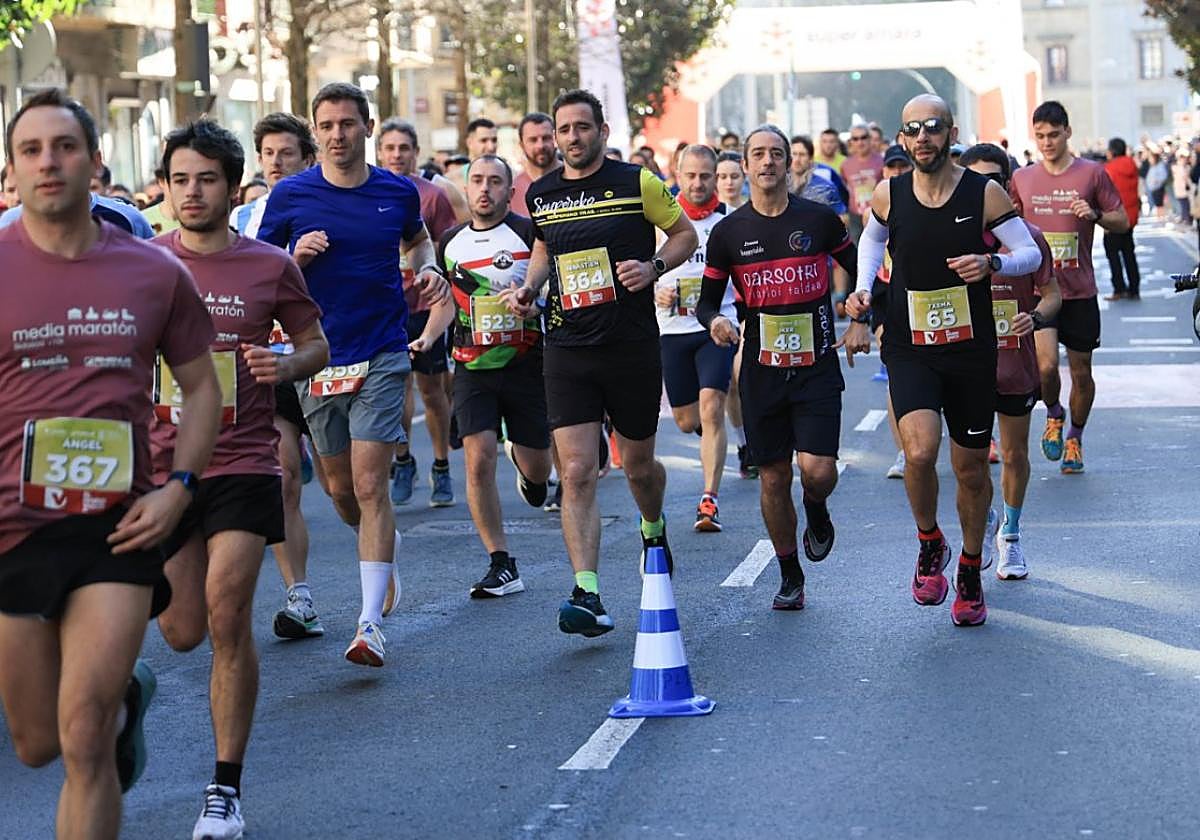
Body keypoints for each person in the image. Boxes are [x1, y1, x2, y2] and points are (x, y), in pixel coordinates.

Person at [0, 88, 222, 837]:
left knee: (83, 739)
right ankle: (131, 698)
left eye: (62, 147)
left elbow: (201, 391)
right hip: (12, 525)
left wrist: (178, 491)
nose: (47, 163)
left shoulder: (154, 273)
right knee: (36, 744)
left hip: (116, 527)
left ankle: (108, 708)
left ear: (96, 161)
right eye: (30, 151)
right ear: (12, 170)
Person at [152, 119, 328, 839]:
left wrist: (286, 365)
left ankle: (224, 788)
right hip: (164, 469)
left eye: (206, 179)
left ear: (232, 187)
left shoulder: (267, 265)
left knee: (227, 616)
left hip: (244, 459)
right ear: (164, 187)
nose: (192, 192)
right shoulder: (142, 262)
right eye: (180, 179)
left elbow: (316, 343)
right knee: (182, 630)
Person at [255, 82, 450, 667]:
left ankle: (368, 625)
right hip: (315, 356)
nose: (338, 134)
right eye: (327, 125)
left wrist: (431, 270)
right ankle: (380, 553)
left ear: (367, 126)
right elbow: (260, 275)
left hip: (384, 350)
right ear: (315, 132)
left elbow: (418, 242)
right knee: (342, 491)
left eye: (347, 123)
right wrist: (297, 260)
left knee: (370, 485)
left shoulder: (395, 191)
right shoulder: (291, 195)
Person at [501, 88, 697, 636]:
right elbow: (544, 247)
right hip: (566, 347)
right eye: (563, 130)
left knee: (637, 466)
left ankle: (653, 525)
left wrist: (654, 266)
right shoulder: (540, 195)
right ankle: (586, 591)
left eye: (581, 127)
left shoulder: (636, 182)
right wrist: (530, 286)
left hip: (630, 346)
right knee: (579, 471)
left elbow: (684, 234)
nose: (571, 138)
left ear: (601, 131)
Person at [847, 94, 1043, 627]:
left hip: (969, 348)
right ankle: (930, 541)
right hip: (911, 345)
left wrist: (992, 260)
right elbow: (871, 242)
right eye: (912, 129)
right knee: (919, 451)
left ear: (950, 132)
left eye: (932, 127)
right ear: (903, 138)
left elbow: (1031, 253)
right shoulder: (889, 194)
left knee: (971, 469)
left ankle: (972, 568)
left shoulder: (984, 192)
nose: (923, 138)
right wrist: (863, 291)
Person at [699, 125, 867, 609]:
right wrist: (716, 324)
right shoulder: (728, 233)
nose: (769, 161)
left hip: (816, 365)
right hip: (761, 369)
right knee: (772, 475)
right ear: (746, 166)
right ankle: (790, 573)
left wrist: (860, 314)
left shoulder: (817, 221)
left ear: (788, 164)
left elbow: (861, 268)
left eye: (777, 153)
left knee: (817, 471)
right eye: (759, 155)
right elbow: (709, 304)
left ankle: (816, 507)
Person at [414, 154, 552, 596]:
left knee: (538, 467)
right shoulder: (450, 242)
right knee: (477, 461)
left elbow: (551, 286)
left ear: (510, 191)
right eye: (477, 181)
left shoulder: (528, 234)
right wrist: (429, 338)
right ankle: (500, 561)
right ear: (467, 187)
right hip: (471, 366)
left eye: (495, 182)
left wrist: (533, 300)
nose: (485, 189)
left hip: (526, 362)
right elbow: (447, 302)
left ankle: (530, 472)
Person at [230, 112, 329, 640]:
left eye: (285, 153)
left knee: (345, 490)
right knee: (284, 477)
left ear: (307, 158)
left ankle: (380, 547)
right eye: (266, 153)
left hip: (322, 357)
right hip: (267, 366)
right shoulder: (244, 219)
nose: (275, 162)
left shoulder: (326, 206)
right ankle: (300, 596)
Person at [960, 143, 1061, 581]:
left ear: (1007, 185)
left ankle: (1012, 536)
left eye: (994, 181)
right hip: (964, 365)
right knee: (972, 460)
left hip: (1013, 364)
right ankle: (981, 522)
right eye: (975, 181)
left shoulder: (1029, 238)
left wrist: (1036, 317)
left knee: (1015, 453)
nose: (985, 190)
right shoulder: (948, 238)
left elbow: (1053, 292)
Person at [1010, 100, 1127, 475]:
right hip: (1041, 291)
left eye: (1054, 135)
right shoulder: (1023, 178)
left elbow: (1122, 221)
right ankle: (1055, 414)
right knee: (1045, 368)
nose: (1047, 142)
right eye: (1040, 136)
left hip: (1079, 291)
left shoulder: (1092, 174)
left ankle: (1075, 436)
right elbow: (1006, 226)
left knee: (1080, 373)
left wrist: (1094, 215)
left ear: (1067, 132)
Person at [653, 145, 738, 531]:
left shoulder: (732, 221)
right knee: (688, 420)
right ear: (677, 173)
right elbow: (640, 267)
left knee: (711, 407)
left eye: (706, 175)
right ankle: (711, 439)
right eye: (691, 175)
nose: (699, 183)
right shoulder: (659, 218)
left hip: (716, 327)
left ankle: (709, 500)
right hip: (672, 329)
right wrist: (655, 288)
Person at [377, 118, 459, 508]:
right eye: (390, 148)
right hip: (383, 305)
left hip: (424, 304)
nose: (396, 155)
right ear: (379, 152)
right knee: (395, 387)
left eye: (403, 148)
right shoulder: (368, 192)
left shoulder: (432, 196)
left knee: (430, 388)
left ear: (415, 152)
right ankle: (403, 460)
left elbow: (444, 249)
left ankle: (441, 465)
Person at [870, 144, 914, 480]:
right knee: (896, 379)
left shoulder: (927, 198)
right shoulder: (880, 204)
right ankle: (903, 452)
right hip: (891, 302)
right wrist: (871, 316)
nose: (897, 174)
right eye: (892, 168)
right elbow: (870, 261)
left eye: (903, 168)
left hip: (932, 303)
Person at [1102, 137, 1141, 300]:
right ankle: (1134, 288)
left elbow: (1105, 195)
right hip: (1130, 216)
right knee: (1128, 253)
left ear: (1112, 151)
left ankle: (1119, 288)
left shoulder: (1109, 169)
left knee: (1113, 255)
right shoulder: (1132, 165)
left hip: (1115, 217)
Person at [511, 112, 562, 215]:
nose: (540, 146)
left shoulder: (575, 179)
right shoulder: (513, 189)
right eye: (533, 140)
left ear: (556, 139)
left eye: (546, 138)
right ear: (521, 145)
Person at [841, 123, 885, 241]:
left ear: (870, 139)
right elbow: (844, 190)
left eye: (863, 137)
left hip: (878, 213)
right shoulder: (845, 165)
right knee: (857, 251)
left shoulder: (882, 161)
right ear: (851, 142)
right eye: (856, 139)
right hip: (855, 216)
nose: (860, 142)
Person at [789, 134, 848, 216]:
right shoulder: (779, 185)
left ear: (810, 159)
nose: (797, 160)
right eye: (794, 154)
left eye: (802, 154)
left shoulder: (825, 187)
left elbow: (842, 217)